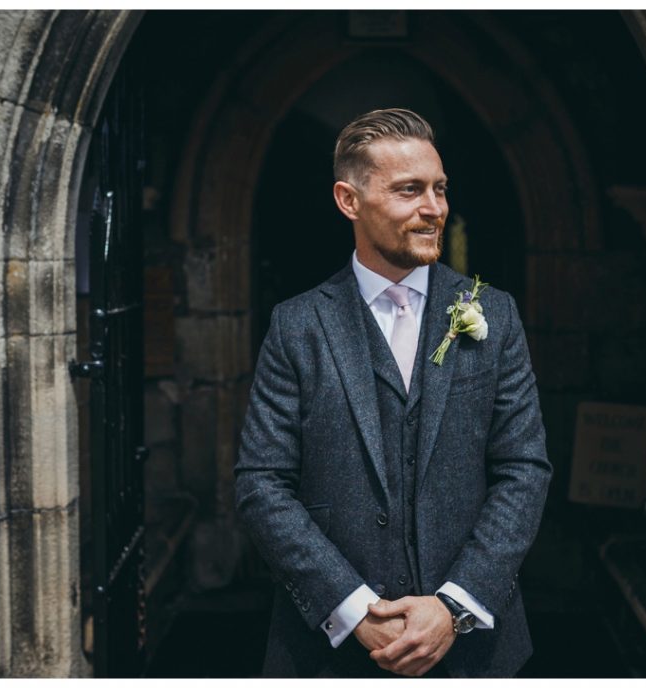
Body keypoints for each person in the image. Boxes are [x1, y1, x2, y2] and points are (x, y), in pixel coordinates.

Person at [234, 108, 551, 677]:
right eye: (409, 191)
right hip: (330, 652)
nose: (434, 208)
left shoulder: (494, 314)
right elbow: (261, 483)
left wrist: (455, 605)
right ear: (348, 201)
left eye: (440, 189)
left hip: (473, 652)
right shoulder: (297, 325)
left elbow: (524, 469)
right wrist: (354, 609)